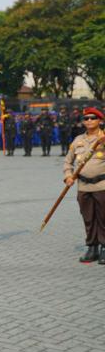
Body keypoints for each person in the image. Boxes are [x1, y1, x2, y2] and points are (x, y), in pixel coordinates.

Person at [64, 107, 105, 264]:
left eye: (92, 118)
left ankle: (104, 247)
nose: (89, 121)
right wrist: (68, 175)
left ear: (100, 121)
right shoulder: (78, 140)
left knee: (103, 218)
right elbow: (68, 161)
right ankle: (92, 247)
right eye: (86, 118)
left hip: (102, 185)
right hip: (83, 186)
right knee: (88, 218)